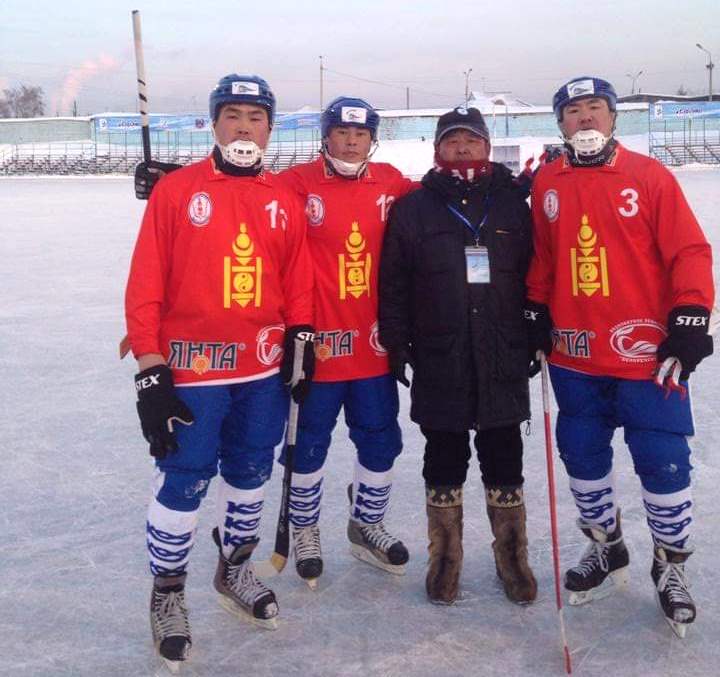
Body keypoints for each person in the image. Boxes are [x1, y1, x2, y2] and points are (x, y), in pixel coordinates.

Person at [124, 73, 315, 670]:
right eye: (232, 115)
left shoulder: (282, 197)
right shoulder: (178, 191)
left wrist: (302, 336)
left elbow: (298, 277)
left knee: (252, 471)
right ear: (213, 123)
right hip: (193, 370)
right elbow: (146, 282)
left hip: (260, 367)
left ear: (269, 128)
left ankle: (234, 568)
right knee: (184, 477)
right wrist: (151, 368)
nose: (243, 127)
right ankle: (168, 593)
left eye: (255, 117)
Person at [525, 75, 715, 637]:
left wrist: (690, 316)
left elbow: (689, 250)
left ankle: (670, 564)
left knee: (663, 462)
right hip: (575, 354)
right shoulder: (547, 183)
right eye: (573, 112)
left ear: (613, 118)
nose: (585, 120)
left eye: (595, 109)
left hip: (646, 355)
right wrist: (534, 308)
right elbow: (543, 257)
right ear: (560, 124)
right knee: (582, 455)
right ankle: (606, 548)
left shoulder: (648, 175)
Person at [378, 107, 537, 605]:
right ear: (436, 150)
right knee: (443, 457)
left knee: (504, 455)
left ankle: (513, 559)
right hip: (439, 353)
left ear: (487, 148)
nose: (462, 149)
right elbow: (394, 282)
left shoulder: (514, 205)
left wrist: (538, 327)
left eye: (471, 140)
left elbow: (538, 270)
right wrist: (398, 340)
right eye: (452, 141)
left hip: (502, 350)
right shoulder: (414, 208)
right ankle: (445, 561)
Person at [277, 97, 415, 586]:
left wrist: (507, 187)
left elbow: (440, 202)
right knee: (308, 444)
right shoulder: (295, 183)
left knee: (381, 441)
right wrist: (170, 182)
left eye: (360, 134)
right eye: (342, 132)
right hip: (317, 346)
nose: (351, 142)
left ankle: (367, 523)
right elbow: (240, 197)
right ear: (326, 137)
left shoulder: (392, 182)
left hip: (374, 346)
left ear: (372, 140)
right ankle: (305, 528)